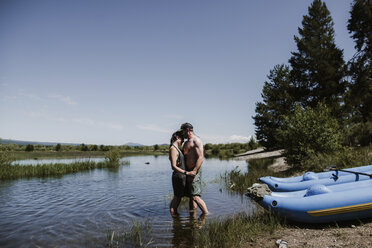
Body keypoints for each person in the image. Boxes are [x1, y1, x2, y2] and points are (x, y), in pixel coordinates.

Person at [178, 123, 208, 215]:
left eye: (182, 131)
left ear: (187, 130)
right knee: (191, 196)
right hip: (187, 172)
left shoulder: (196, 141)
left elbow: (200, 157)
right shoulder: (186, 143)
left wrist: (194, 171)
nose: (182, 134)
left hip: (195, 171)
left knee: (195, 196)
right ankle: (193, 217)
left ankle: (206, 214)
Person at [169, 131, 193, 215]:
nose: (183, 141)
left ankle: (175, 218)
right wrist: (186, 173)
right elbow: (173, 166)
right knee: (177, 198)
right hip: (178, 176)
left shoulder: (177, 149)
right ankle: (173, 217)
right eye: (182, 139)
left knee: (178, 198)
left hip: (180, 176)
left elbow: (177, 163)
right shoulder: (173, 148)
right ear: (178, 138)